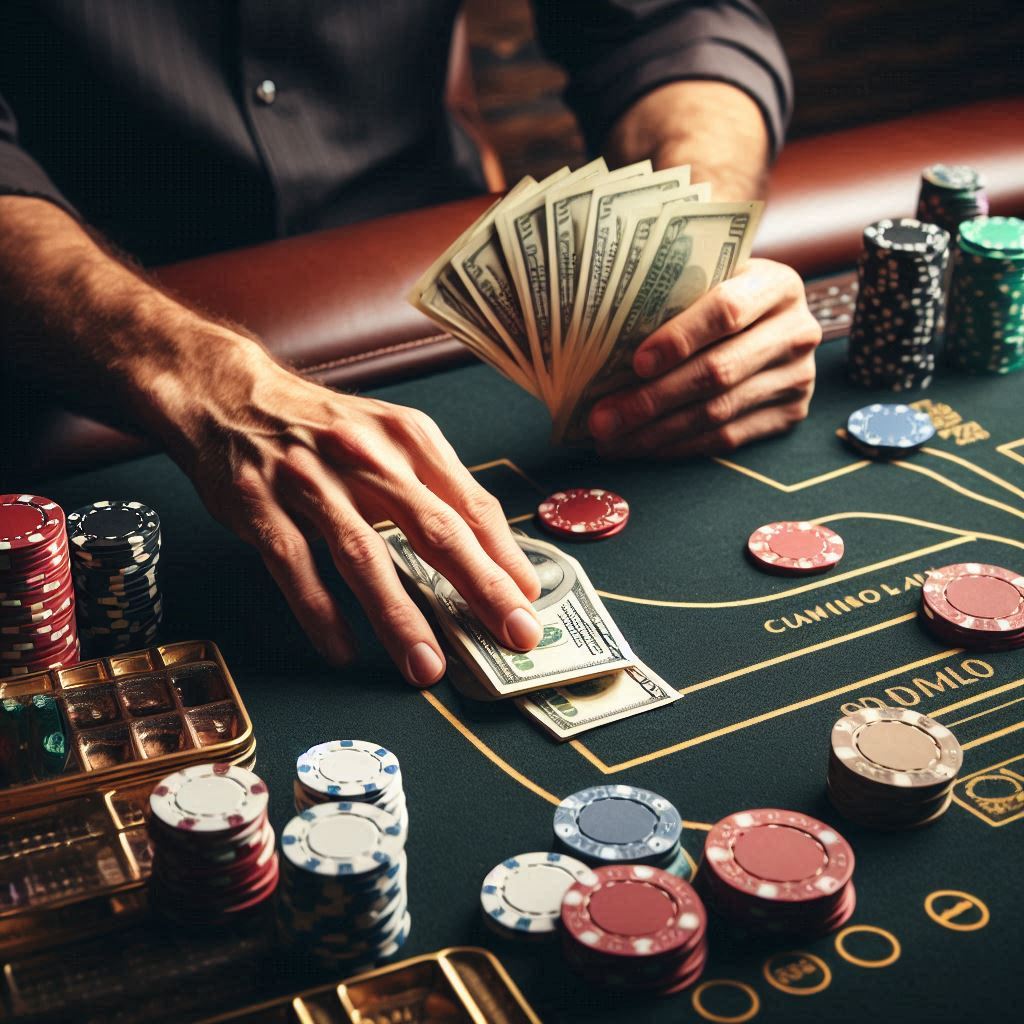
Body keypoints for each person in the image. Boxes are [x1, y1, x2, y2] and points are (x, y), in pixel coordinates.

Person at [0, 1, 822, 687]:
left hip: (425, 283)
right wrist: (194, 372)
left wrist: (690, 249)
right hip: (76, 341)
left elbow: (666, 24)